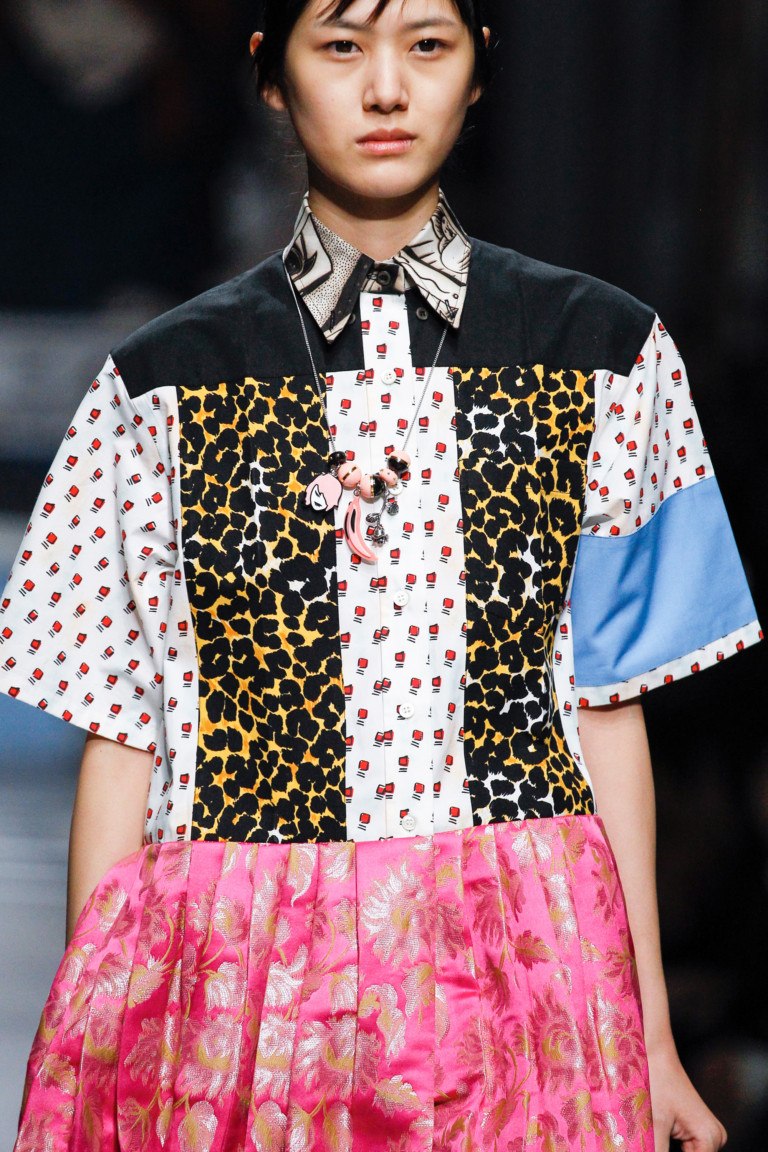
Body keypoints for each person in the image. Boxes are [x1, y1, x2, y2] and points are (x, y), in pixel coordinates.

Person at [0, 1, 760, 1149]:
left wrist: (651, 1040)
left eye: (428, 44)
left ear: (481, 68)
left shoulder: (607, 354)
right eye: (343, 46)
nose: (388, 88)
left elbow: (612, 710)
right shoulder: (160, 387)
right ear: (271, 74)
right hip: (237, 970)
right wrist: (90, 1047)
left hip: (518, 963)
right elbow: (125, 731)